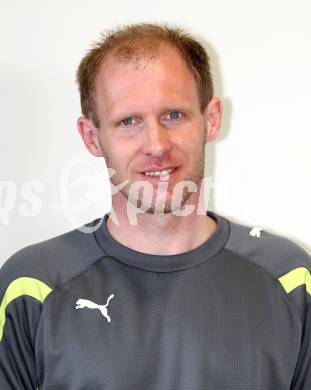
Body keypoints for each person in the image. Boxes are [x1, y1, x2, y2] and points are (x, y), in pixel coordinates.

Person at [0, 22, 310, 390]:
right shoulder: (32, 286)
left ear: (211, 119)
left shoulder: (290, 280)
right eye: (128, 121)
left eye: (174, 115)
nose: (157, 144)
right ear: (92, 136)